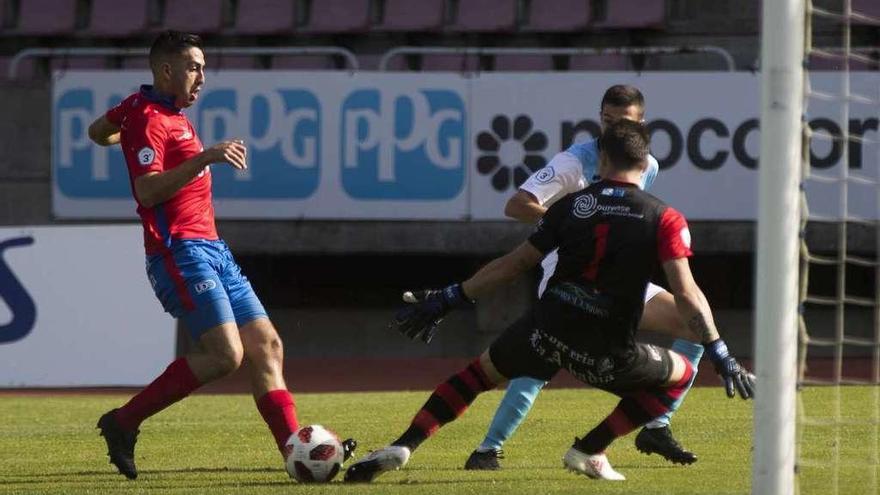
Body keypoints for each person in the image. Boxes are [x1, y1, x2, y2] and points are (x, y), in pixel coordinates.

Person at [343, 120, 754, 483]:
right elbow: (686, 292)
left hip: (544, 333)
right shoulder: (665, 218)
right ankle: (591, 448)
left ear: (603, 159)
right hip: (608, 354)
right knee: (681, 374)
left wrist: (451, 296)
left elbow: (512, 265)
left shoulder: (572, 205)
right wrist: (720, 352)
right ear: (645, 165)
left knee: (475, 376)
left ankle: (405, 444)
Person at [87, 30, 354, 479]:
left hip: (213, 248)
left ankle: (294, 451)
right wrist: (203, 157)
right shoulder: (151, 117)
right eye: (194, 67)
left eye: (204, 67)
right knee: (225, 355)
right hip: (179, 252)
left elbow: (98, 132)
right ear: (166, 70)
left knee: (267, 346)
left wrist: (126, 138)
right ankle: (123, 422)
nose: (202, 77)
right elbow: (147, 190)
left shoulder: (147, 111)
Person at [465, 84, 703, 470]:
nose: (611, 130)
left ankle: (657, 425)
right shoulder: (574, 161)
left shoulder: (648, 166)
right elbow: (517, 205)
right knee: (538, 363)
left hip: (617, 279)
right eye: (606, 120)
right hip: (568, 277)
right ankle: (488, 449)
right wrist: (571, 220)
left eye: (621, 122)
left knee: (694, 324)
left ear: (640, 124)